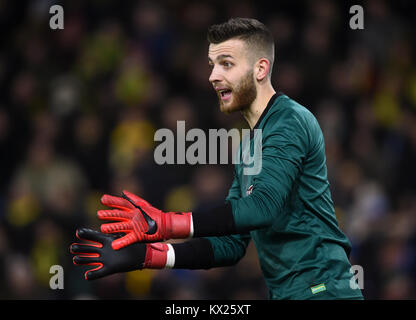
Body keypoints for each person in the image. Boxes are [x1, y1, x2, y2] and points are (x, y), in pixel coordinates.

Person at [70, 17, 364, 300]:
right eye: (212, 66)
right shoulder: (249, 146)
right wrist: (147, 255)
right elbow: (232, 245)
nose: (213, 76)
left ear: (260, 69)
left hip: (324, 290)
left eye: (226, 64)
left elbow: (263, 208)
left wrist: (168, 223)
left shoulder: (289, 120)